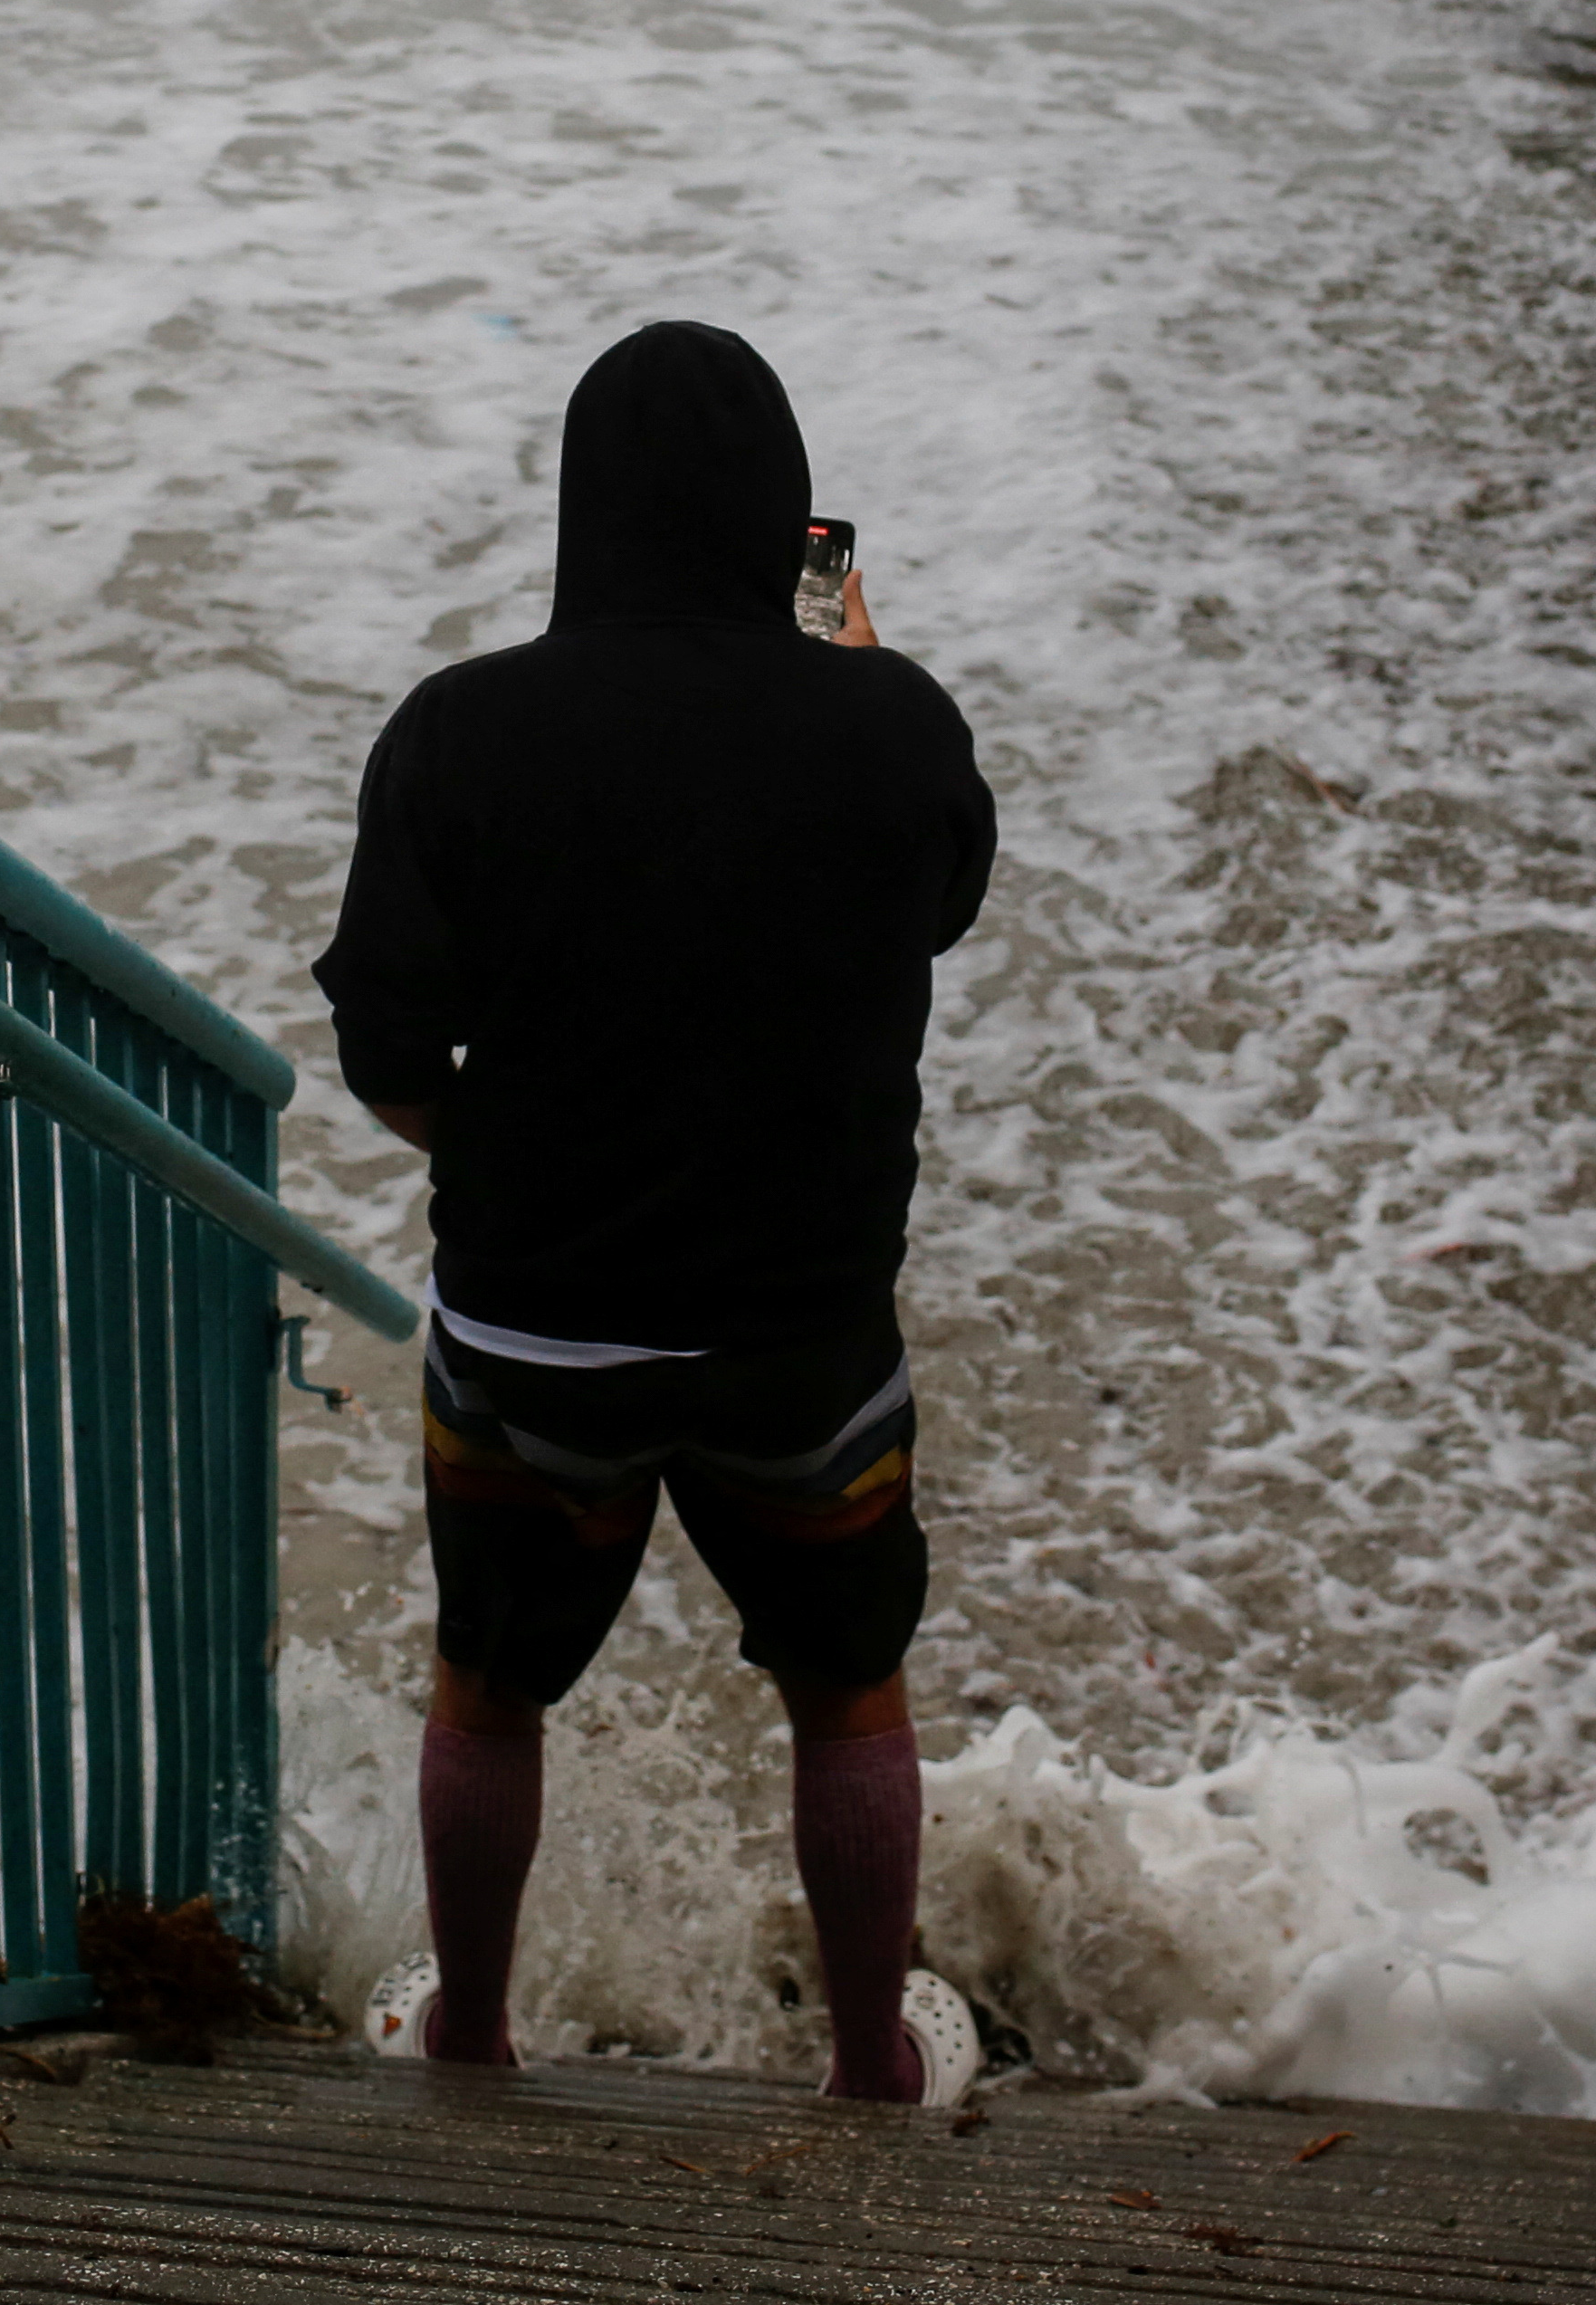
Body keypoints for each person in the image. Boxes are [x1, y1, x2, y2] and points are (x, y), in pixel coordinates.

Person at [311, 319, 1000, 2105]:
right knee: (847, 1694)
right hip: (804, 1335)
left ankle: (469, 2034)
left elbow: (385, 1049)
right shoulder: (896, 724)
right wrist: (847, 664)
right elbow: (939, 901)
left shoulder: (457, 738)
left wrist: (506, 1153)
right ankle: (870, 2066)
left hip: (540, 1319)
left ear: (581, 516)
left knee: (487, 1688)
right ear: (788, 528)